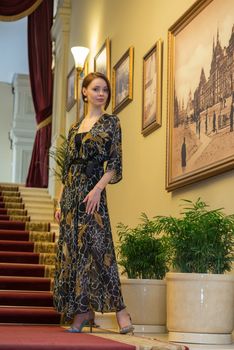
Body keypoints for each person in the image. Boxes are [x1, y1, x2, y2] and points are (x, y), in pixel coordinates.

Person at [53, 72, 134, 334]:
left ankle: (121, 312)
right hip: (71, 197)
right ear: (84, 91)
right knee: (75, 254)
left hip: (93, 192)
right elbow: (67, 168)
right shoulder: (75, 127)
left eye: (105, 90)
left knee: (101, 251)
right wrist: (60, 200)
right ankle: (82, 312)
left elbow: (116, 163)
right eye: (96, 89)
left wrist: (99, 189)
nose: (102, 94)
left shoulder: (112, 122)